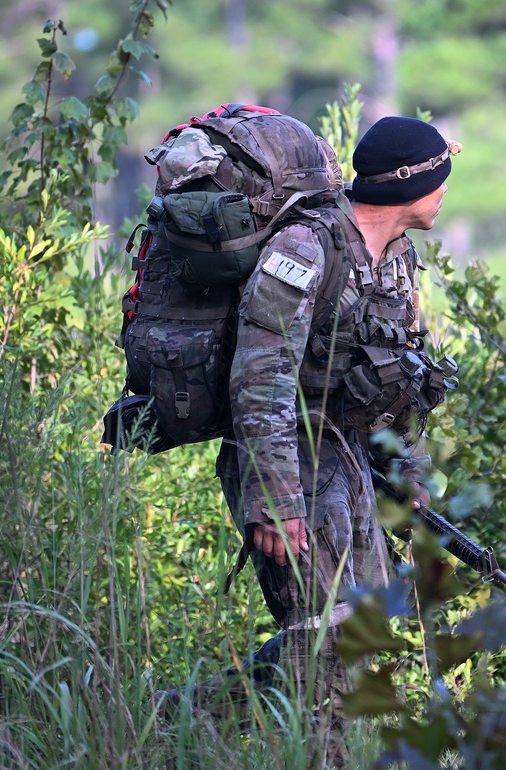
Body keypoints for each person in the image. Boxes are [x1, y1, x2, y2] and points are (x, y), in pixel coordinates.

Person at [181, 115, 459, 763]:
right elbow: (260, 376)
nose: (447, 192)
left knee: (359, 628)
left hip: (348, 457)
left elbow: (400, 374)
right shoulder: (308, 248)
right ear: (407, 186)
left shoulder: (398, 262)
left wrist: (408, 472)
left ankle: (192, 717)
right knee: (326, 633)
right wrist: (274, 496)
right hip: (288, 456)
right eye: (439, 179)